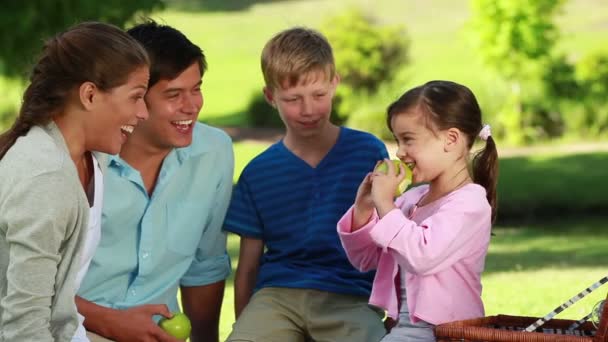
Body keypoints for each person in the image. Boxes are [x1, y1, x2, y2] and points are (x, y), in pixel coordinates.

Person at [223, 27, 388, 342]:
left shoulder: (368, 152)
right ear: (271, 97)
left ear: (334, 84)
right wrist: (244, 325)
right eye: (293, 99)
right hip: (277, 297)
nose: (308, 109)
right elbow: (247, 266)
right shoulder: (258, 172)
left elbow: (390, 238)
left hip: (349, 297)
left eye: (318, 95)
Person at [76, 21, 234, 342]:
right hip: (75, 330)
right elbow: (30, 282)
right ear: (135, 99)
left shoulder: (214, 152)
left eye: (197, 89)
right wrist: (109, 323)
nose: (191, 107)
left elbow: (205, 264)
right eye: (173, 94)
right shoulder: (84, 158)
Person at [0, 22, 149, 341]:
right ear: (90, 95)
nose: (143, 113)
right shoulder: (45, 179)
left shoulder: (92, 158)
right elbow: (23, 328)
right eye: (136, 97)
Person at [337, 80, 498, 341]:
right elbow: (365, 259)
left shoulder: (469, 204)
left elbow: (422, 256)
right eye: (397, 140)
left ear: (451, 139)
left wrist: (387, 205)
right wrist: (364, 207)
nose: (400, 152)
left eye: (408, 140)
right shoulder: (412, 200)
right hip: (404, 330)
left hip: (445, 333)